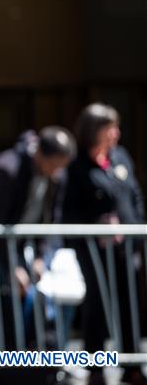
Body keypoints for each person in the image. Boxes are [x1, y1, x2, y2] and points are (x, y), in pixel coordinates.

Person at [0, 127, 77, 382]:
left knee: (40, 306)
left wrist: (41, 257)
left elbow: (51, 219)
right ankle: (1, 371)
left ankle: (43, 367)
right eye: (53, 165)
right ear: (39, 154)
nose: (56, 171)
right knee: (2, 307)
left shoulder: (58, 175)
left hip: (27, 248)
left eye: (61, 166)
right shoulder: (7, 168)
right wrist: (12, 267)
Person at [62, 104, 145, 385]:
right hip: (94, 251)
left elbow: (134, 195)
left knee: (129, 304)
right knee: (96, 305)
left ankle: (132, 366)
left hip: (125, 247)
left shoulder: (120, 157)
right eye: (109, 128)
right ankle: (95, 368)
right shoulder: (76, 166)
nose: (115, 133)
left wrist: (134, 228)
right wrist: (97, 225)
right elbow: (68, 210)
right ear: (93, 130)